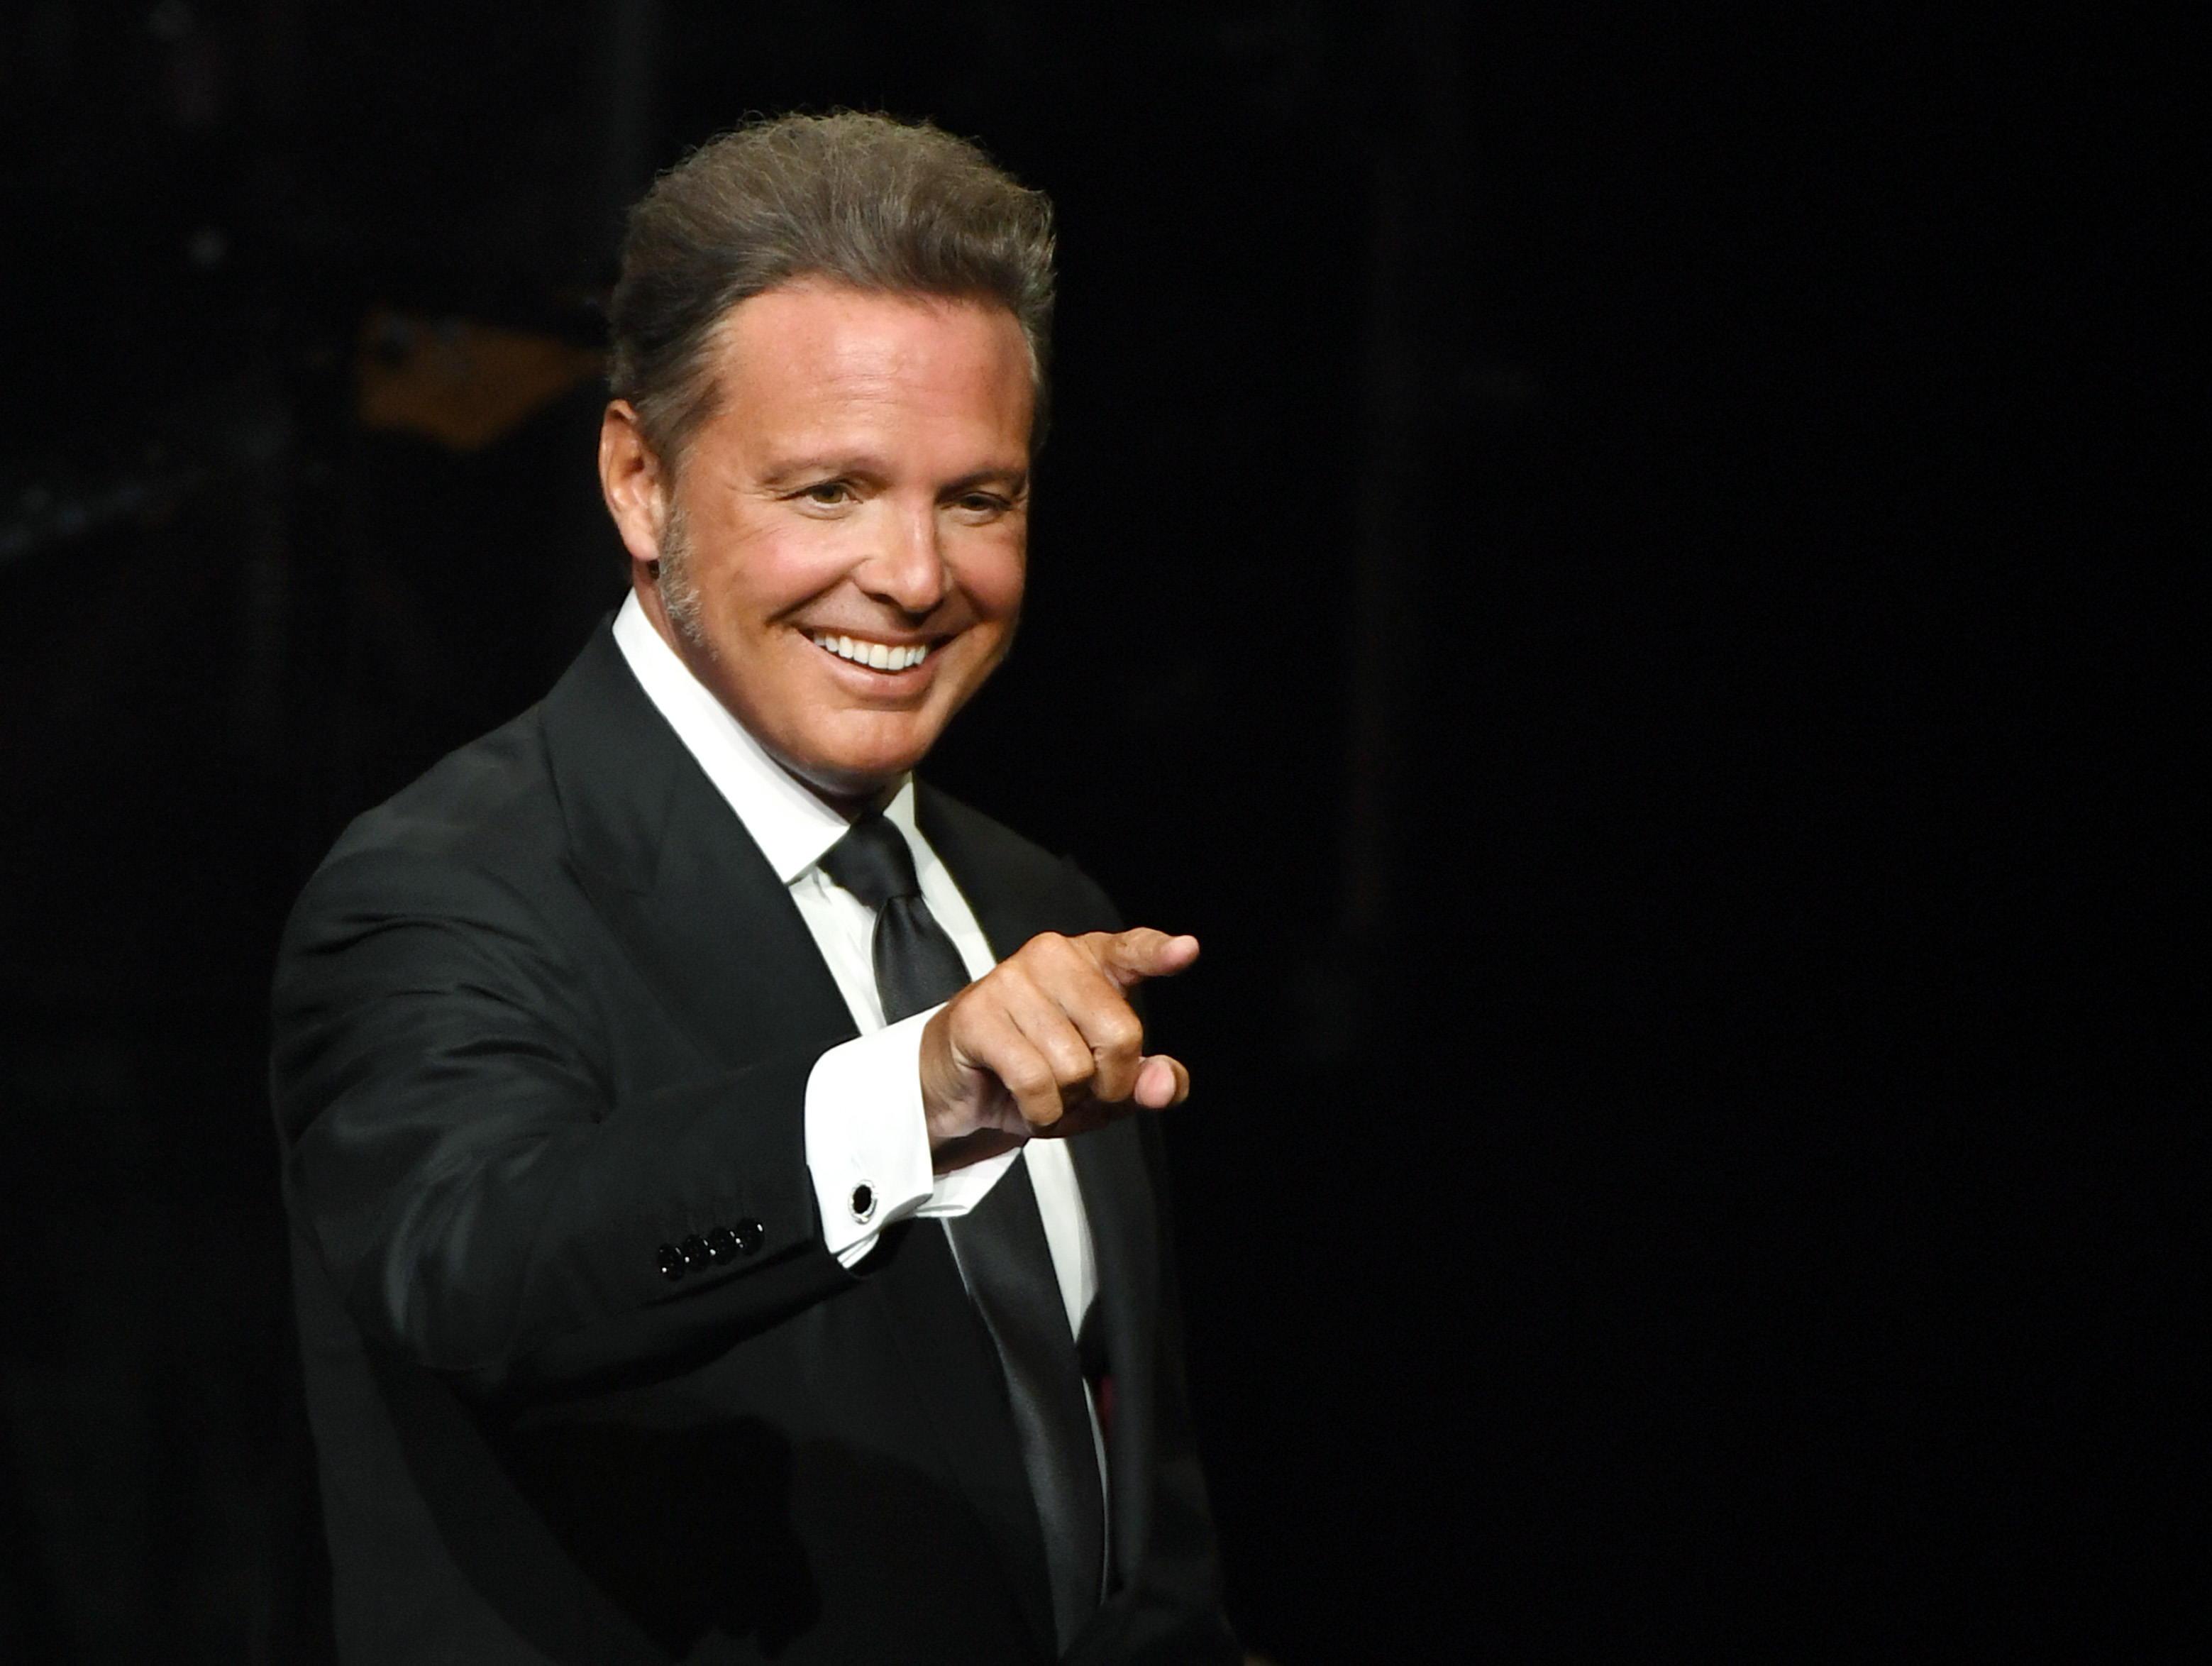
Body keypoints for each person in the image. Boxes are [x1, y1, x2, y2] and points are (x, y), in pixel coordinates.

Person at [270, 113, 1239, 1665]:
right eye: (830, 490)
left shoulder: (1031, 900)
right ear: (638, 481)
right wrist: (909, 1097)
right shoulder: (443, 890)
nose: (915, 575)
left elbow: (1132, 1531)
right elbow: (480, 1274)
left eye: (977, 498)